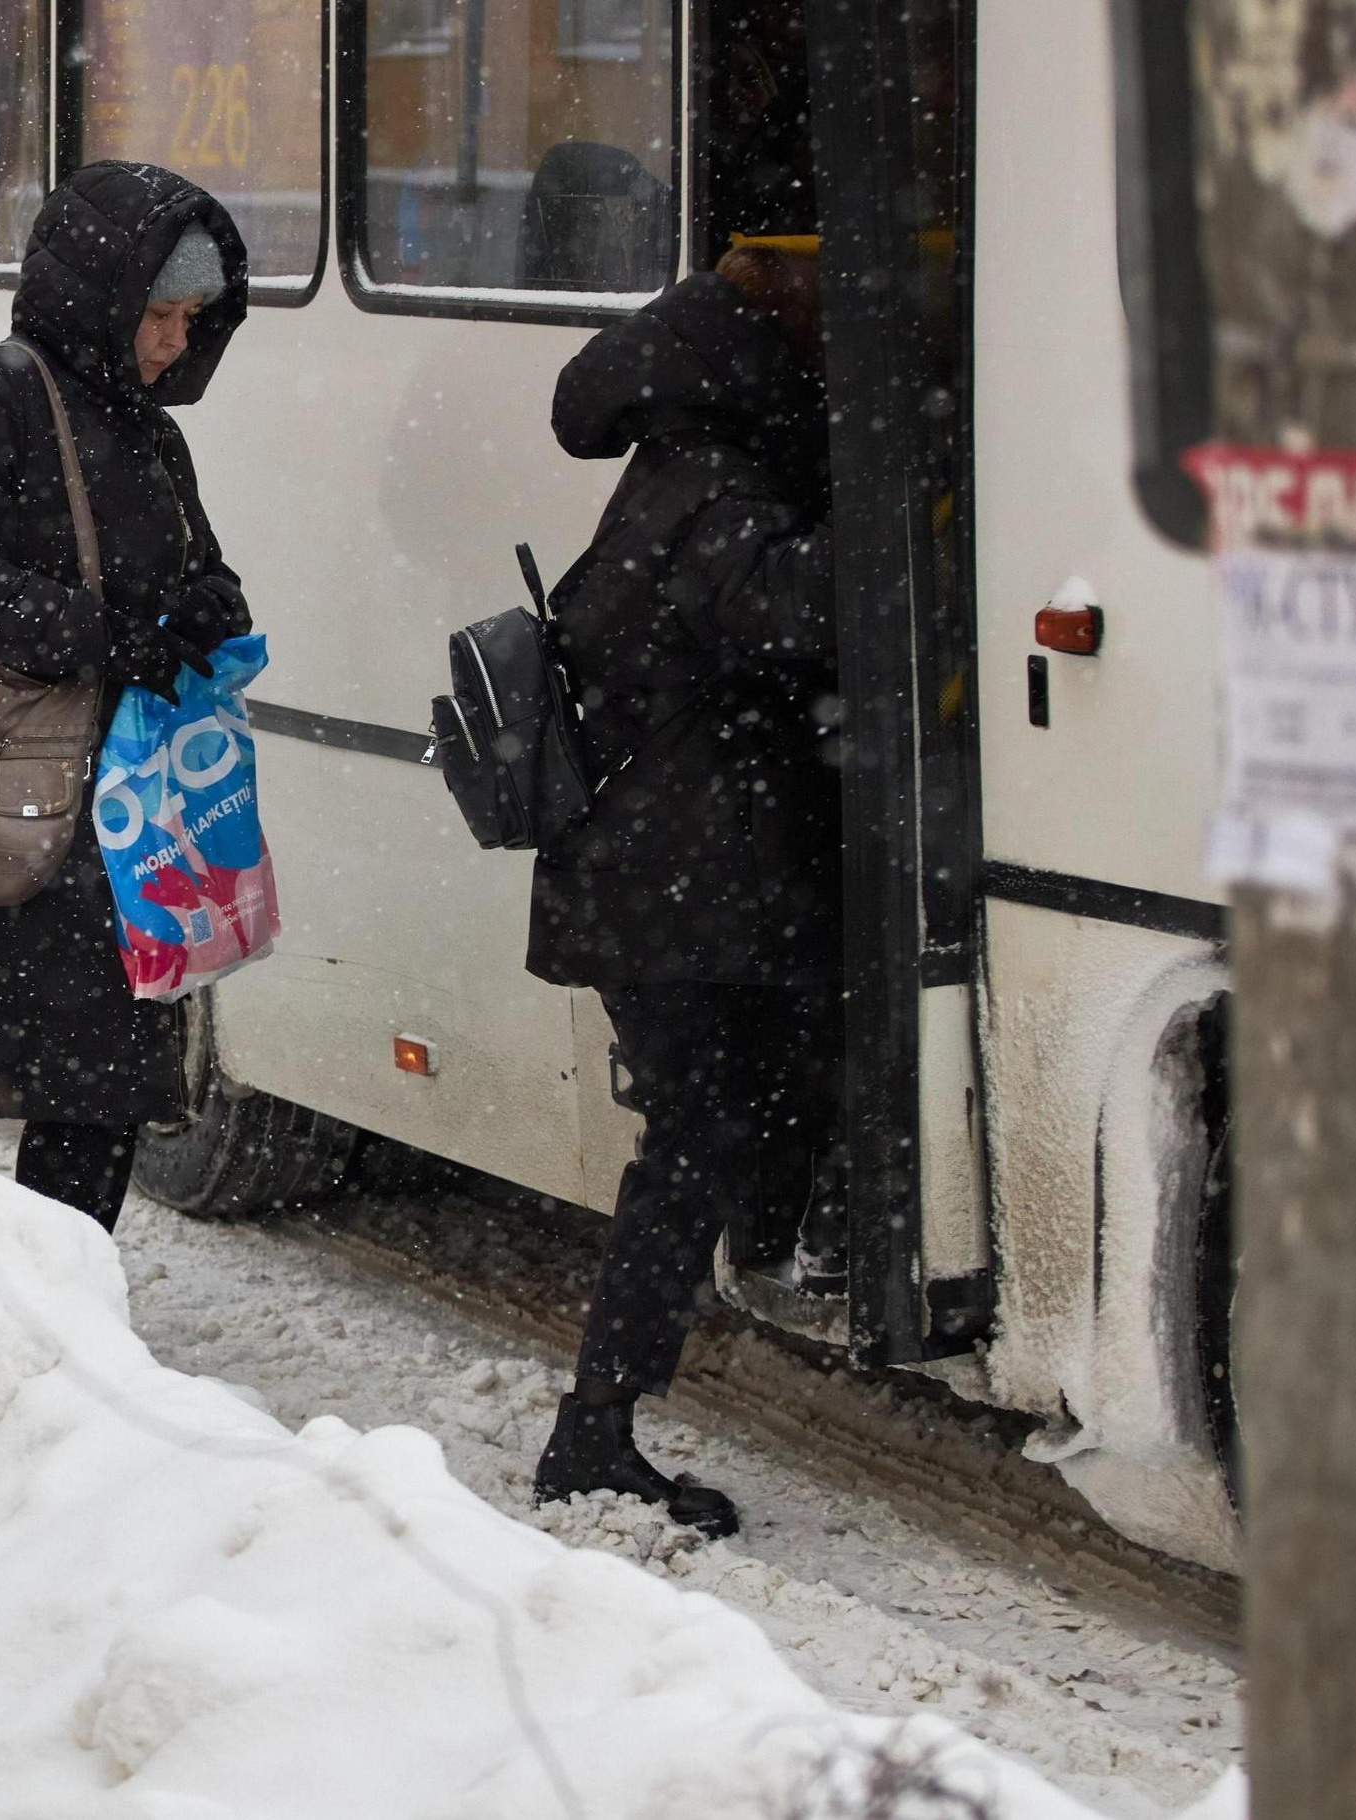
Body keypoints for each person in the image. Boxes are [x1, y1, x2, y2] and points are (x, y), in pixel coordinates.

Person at [523, 235, 838, 1538]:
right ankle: (590, 1436)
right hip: (664, 892)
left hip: (658, 881)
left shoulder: (680, 461)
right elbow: (803, 612)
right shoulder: (712, 488)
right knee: (694, 1136)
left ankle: (779, 1245)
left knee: (742, 1100)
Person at [0, 162, 251, 1231]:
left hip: (124, 806)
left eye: (189, 319)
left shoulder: (143, 423)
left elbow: (193, 559)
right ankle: (39, 1306)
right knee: (80, 1079)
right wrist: (97, 637)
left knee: (108, 1081)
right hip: (39, 793)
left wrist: (209, 611)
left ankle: (53, 1302)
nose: (174, 341)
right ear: (99, 301)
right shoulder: (4, 393)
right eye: (158, 315)